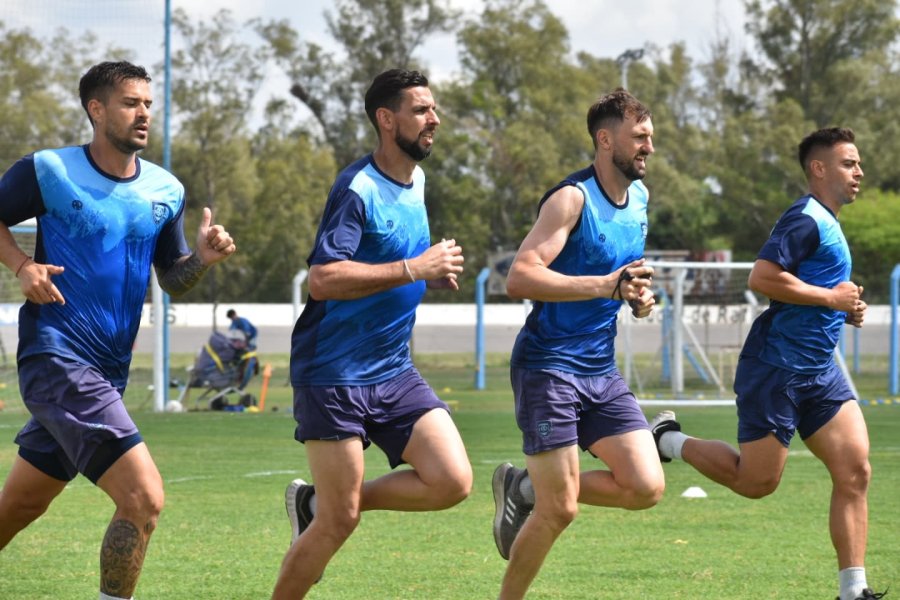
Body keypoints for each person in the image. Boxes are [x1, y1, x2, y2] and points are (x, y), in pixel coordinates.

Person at [0, 61, 236, 600]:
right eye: (131, 103)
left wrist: (200, 257)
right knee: (143, 497)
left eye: (149, 104)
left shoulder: (165, 190)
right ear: (96, 109)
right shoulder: (47, 170)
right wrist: (20, 265)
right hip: (56, 358)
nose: (144, 113)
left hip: (107, 376)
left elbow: (173, 279)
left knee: (21, 505)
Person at [651, 127, 885, 600]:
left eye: (858, 164)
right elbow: (763, 276)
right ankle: (668, 439)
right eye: (849, 163)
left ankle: (853, 590)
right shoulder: (805, 218)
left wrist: (845, 305)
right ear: (819, 169)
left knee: (856, 470)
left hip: (820, 371)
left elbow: (820, 291)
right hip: (775, 368)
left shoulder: (830, 222)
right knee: (756, 482)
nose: (859, 172)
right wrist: (829, 297)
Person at [272, 69, 472, 599]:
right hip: (332, 375)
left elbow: (396, 261)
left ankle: (321, 502)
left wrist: (431, 272)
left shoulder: (418, 180)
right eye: (421, 110)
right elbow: (323, 278)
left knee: (453, 481)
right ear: (387, 120)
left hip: (393, 370)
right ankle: (326, 512)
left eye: (433, 109)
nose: (435, 119)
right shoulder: (357, 188)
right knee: (340, 524)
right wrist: (413, 269)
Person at [491, 89, 660, 599]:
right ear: (605, 140)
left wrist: (636, 297)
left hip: (599, 370)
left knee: (645, 487)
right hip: (549, 367)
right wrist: (604, 284)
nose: (649, 147)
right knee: (560, 508)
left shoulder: (641, 201)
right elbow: (519, 278)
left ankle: (522, 487)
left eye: (651, 137)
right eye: (640, 137)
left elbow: (622, 277)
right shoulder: (572, 199)